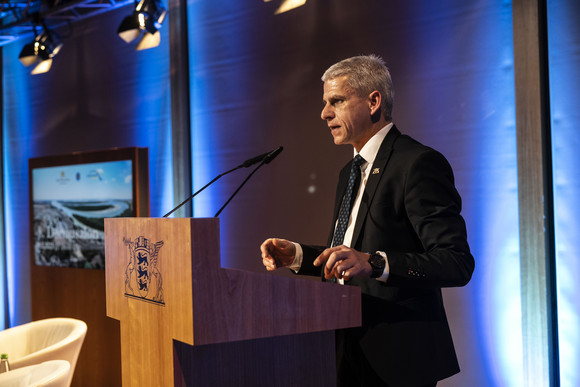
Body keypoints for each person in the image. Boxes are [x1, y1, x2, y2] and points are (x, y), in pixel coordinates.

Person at [260, 55, 474, 387]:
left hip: (398, 358)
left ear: (373, 101)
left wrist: (375, 263)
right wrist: (299, 256)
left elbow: (455, 262)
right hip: (345, 350)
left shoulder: (417, 163)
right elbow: (351, 257)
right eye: (325, 103)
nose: (324, 113)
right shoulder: (350, 171)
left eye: (337, 101)